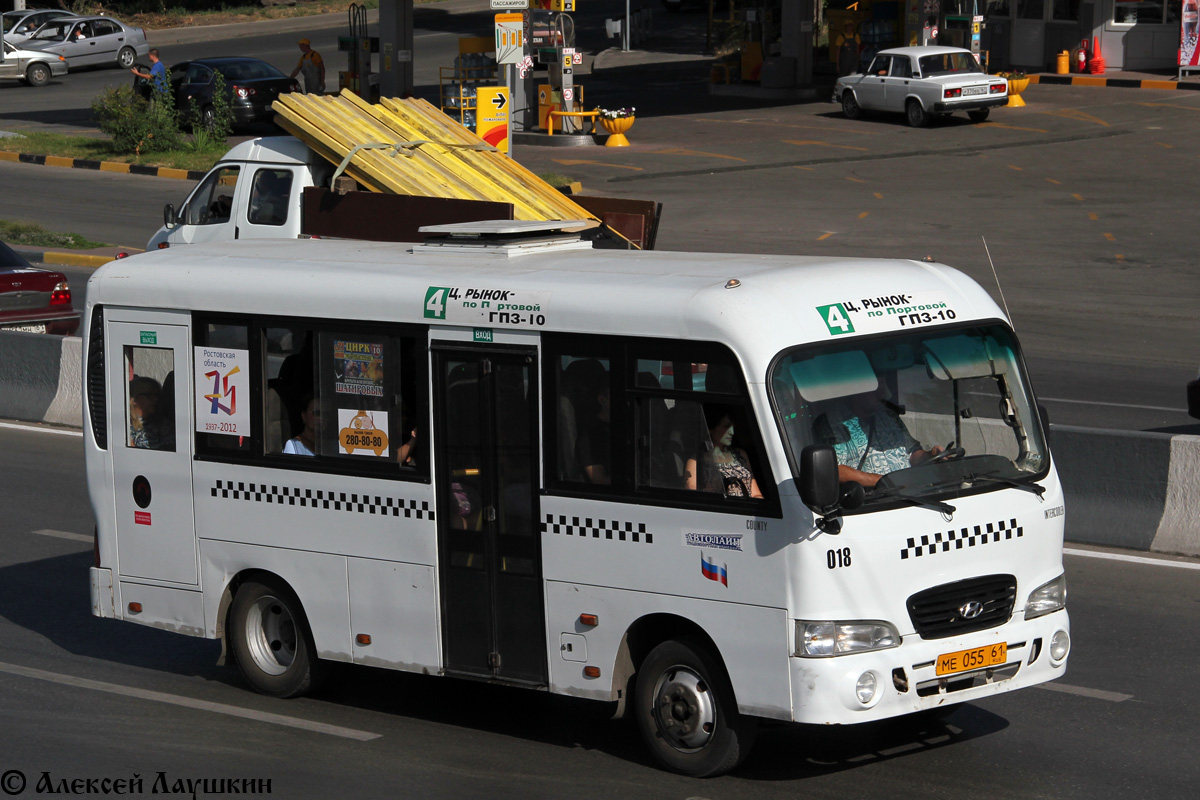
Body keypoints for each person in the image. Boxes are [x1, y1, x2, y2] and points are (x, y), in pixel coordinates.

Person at [814, 389, 944, 488]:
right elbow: (835, 469)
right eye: (877, 387)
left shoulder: (889, 415)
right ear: (859, 390)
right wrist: (883, 481)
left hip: (908, 493)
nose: (884, 393)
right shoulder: (831, 423)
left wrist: (929, 455)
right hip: (870, 502)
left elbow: (911, 453)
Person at [685, 405, 763, 499]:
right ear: (710, 429)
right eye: (726, 426)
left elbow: (756, 494)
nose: (732, 432)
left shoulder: (740, 455)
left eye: (732, 426)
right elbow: (696, 501)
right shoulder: (696, 462)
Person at [128, 376, 161, 449]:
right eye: (150, 395)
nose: (155, 399)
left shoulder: (162, 425)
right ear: (133, 399)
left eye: (157, 395)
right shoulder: (123, 425)